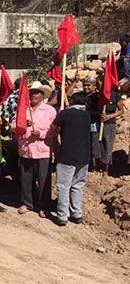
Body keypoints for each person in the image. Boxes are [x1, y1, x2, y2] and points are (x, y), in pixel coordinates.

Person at [16, 81, 56, 218]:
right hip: (25, 150)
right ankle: (27, 203)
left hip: (42, 150)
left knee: (44, 180)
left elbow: (54, 130)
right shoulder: (22, 110)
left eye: (37, 93)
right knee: (26, 179)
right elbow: (12, 126)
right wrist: (22, 124)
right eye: (32, 93)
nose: (34, 95)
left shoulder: (49, 110)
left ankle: (44, 206)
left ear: (42, 95)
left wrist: (41, 134)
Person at [50, 92, 91, 226]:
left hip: (68, 155)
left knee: (63, 186)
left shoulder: (66, 114)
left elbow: (54, 127)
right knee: (78, 185)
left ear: (72, 101)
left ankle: (63, 215)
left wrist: (61, 115)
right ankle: (76, 213)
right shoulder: (87, 115)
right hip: (84, 157)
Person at [97, 75, 125, 175]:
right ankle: (96, 166)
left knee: (108, 145)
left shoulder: (115, 95)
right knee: (96, 144)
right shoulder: (96, 96)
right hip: (96, 123)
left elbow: (121, 111)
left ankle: (106, 169)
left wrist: (109, 116)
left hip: (110, 124)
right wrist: (98, 114)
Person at [83, 77, 101, 171]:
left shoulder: (97, 97)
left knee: (93, 142)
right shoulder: (81, 96)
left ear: (94, 86)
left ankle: (94, 166)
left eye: (88, 85)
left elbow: (99, 112)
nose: (86, 87)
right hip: (82, 124)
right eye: (84, 85)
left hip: (92, 123)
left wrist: (88, 111)